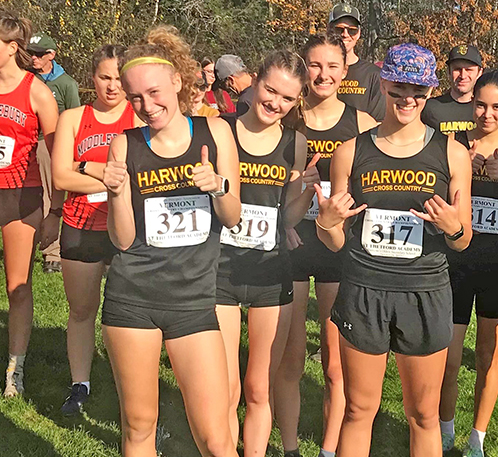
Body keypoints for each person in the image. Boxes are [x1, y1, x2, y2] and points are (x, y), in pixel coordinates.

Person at [315, 43, 472, 457]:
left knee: (423, 414)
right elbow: (335, 242)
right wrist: (325, 223)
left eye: (419, 91)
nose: (408, 99)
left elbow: (464, 238)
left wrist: (453, 226)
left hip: (424, 292)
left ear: (430, 92)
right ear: (384, 83)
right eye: (400, 87)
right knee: (359, 409)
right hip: (364, 289)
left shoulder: (452, 154)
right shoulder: (350, 151)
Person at [100, 25, 241, 457]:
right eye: (135, 97)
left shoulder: (214, 134)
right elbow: (122, 240)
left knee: (216, 437)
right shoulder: (123, 144)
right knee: (139, 428)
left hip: (194, 302)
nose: (147, 106)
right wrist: (117, 193)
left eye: (155, 93)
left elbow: (233, 217)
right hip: (133, 298)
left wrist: (217, 186)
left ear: (178, 82)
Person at [275, 32, 377, 457]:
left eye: (332, 66)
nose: (323, 74)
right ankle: (292, 446)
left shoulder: (363, 124)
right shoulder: (285, 118)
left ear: (344, 70)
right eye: (315, 65)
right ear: (304, 67)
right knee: (291, 359)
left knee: (336, 365)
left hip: (340, 248)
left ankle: (330, 450)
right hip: (295, 243)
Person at [215, 51, 316, 455]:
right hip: (219, 269)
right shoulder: (220, 130)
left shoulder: (295, 143)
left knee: (259, 387)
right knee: (225, 386)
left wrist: (305, 190)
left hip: (271, 272)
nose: (276, 103)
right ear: (255, 81)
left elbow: (287, 216)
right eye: (271, 90)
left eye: (288, 98)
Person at [439, 71, 498, 457]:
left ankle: (476, 437)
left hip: (496, 264)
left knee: (487, 356)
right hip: (455, 261)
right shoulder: (454, 144)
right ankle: (445, 431)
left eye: (497, 106)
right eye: (480, 104)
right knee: (449, 356)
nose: (487, 113)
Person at [51, 44, 136, 415]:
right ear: (93, 78)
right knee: (82, 310)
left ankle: (130, 383)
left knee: (130, 312)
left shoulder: (139, 118)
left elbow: (138, 178)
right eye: (105, 77)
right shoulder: (73, 117)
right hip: (80, 225)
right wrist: (102, 171)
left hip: (125, 228)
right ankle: (80, 384)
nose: (112, 86)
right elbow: (59, 175)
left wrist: (81, 167)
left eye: (119, 78)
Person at [0, 11, 60, 397]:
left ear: (11, 48)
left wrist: (55, 211)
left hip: (20, 196)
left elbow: (58, 156)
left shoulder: (36, 91)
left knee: (17, 286)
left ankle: (14, 370)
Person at [29, 32, 81, 273]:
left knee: (53, 197)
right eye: (30, 53)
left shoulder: (65, 84)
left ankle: (53, 252)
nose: (33, 58)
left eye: (39, 54)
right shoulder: (26, 79)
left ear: (51, 55)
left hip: (51, 144)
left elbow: (75, 117)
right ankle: (26, 245)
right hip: (24, 143)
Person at [328, 4, 385, 122]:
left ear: (358, 34)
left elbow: (377, 123)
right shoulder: (316, 73)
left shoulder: (374, 75)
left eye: (352, 30)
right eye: (339, 29)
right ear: (329, 30)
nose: (345, 34)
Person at [421, 45, 483, 135]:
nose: (463, 76)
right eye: (457, 69)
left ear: (479, 72)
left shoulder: (486, 111)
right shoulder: (430, 109)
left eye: (469, 70)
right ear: (448, 72)